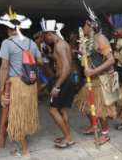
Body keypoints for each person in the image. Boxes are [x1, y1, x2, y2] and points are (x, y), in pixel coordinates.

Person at [0, 7, 42, 157]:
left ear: (9, 29)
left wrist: (1, 87)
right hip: (30, 84)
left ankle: (24, 151)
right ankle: (24, 145)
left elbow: (4, 67)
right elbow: (40, 61)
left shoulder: (7, 43)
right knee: (25, 112)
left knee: (17, 115)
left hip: (15, 84)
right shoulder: (31, 43)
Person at [73, 18, 117, 145]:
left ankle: (105, 134)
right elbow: (92, 55)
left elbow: (111, 60)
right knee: (87, 106)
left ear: (90, 26)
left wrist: (93, 71)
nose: (82, 29)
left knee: (100, 109)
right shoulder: (88, 41)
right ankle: (94, 126)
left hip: (100, 80)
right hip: (90, 81)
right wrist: (80, 51)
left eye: (84, 26)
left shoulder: (100, 38)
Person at [41, 18, 78, 148]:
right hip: (66, 80)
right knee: (62, 110)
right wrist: (50, 57)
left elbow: (66, 67)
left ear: (50, 34)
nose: (45, 39)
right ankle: (67, 135)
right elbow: (63, 61)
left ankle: (68, 138)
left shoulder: (59, 45)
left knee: (53, 110)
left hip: (63, 81)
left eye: (45, 36)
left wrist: (57, 86)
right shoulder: (62, 44)